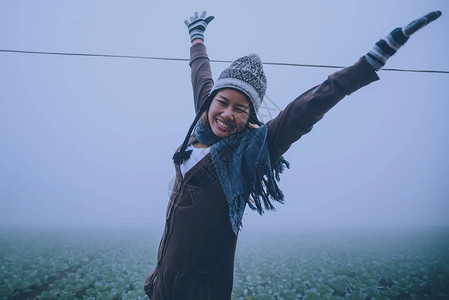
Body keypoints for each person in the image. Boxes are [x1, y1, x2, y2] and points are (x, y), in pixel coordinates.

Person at [144, 10, 441, 300]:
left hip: (202, 289)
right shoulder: (202, 123)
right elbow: (201, 74)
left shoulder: (251, 151)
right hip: (164, 278)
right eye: (222, 102)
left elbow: (308, 107)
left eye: (240, 108)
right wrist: (197, 36)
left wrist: (371, 61)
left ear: (250, 117)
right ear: (210, 102)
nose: (226, 114)